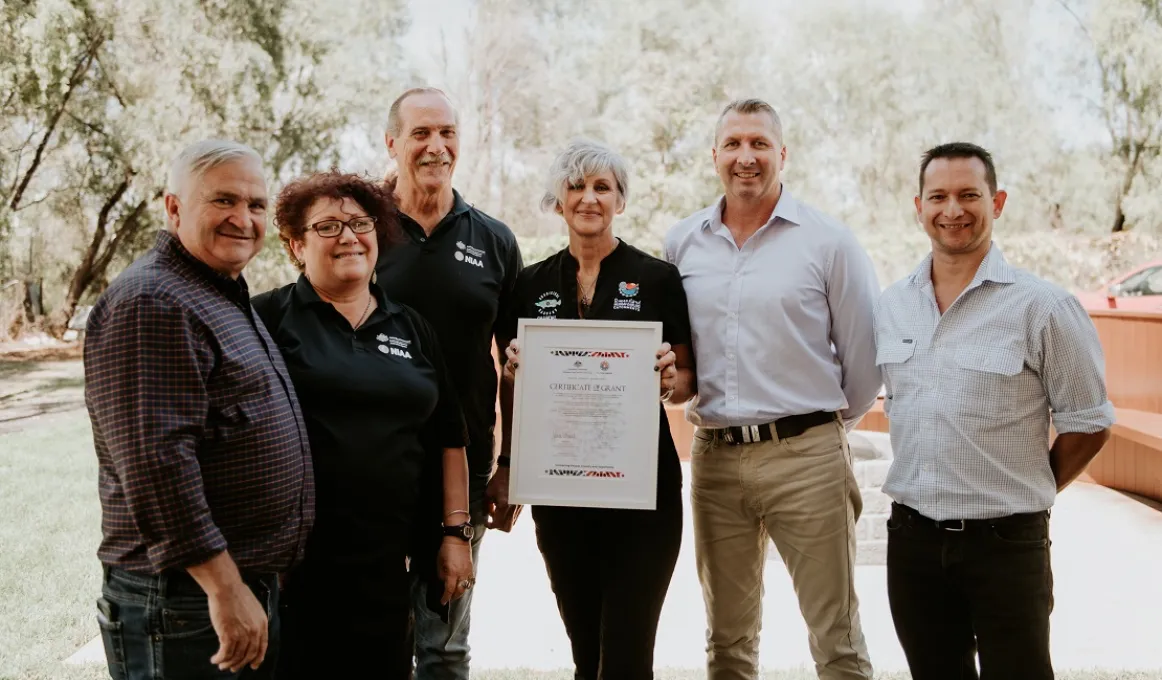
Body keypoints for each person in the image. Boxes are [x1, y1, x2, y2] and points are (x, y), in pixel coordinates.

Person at [875, 142, 1114, 680]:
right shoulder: (891, 306)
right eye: (937, 196)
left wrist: (1028, 488)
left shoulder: (1044, 306)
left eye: (968, 195)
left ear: (997, 201)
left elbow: (1089, 422)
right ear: (918, 207)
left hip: (1007, 544)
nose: (952, 209)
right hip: (912, 541)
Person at [664, 99, 880, 680]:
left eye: (759, 144)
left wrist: (819, 433)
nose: (746, 157)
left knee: (835, 636)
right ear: (714, 157)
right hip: (714, 459)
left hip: (807, 457)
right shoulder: (681, 244)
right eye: (733, 144)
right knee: (727, 641)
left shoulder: (828, 242)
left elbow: (862, 362)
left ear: (782, 155)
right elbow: (678, 363)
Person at [84, 139, 314, 680]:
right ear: (174, 208)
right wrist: (224, 586)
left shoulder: (215, 291)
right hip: (186, 599)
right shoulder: (153, 301)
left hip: (227, 586)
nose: (243, 218)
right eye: (224, 200)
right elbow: (156, 464)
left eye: (256, 205)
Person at [250, 171, 475, 678]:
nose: (349, 236)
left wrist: (455, 535)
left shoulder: (411, 326)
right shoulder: (267, 320)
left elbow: (448, 437)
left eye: (359, 223)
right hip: (295, 571)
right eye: (328, 226)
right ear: (295, 245)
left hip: (389, 565)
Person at [495, 138, 695, 679]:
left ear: (620, 201)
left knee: (628, 658)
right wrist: (509, 462)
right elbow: (511, 387)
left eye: (602, 187)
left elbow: (685, 380)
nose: (589, 198)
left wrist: (672, 380)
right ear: (558, 201)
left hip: (644, 499)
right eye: (576, 187)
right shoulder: (528, 284)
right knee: (588, 656)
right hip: (561, 501)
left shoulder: (656, 278)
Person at [376, 87, 523, 679]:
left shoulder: (493, 239)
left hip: (463, 472)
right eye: (420, 134)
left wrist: (511, 462)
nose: (437, 147)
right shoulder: (358, 229)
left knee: (444, 647)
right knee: (374, 640)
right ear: (391, 144)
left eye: (448, 133)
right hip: (372, 470)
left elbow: (518, 361)